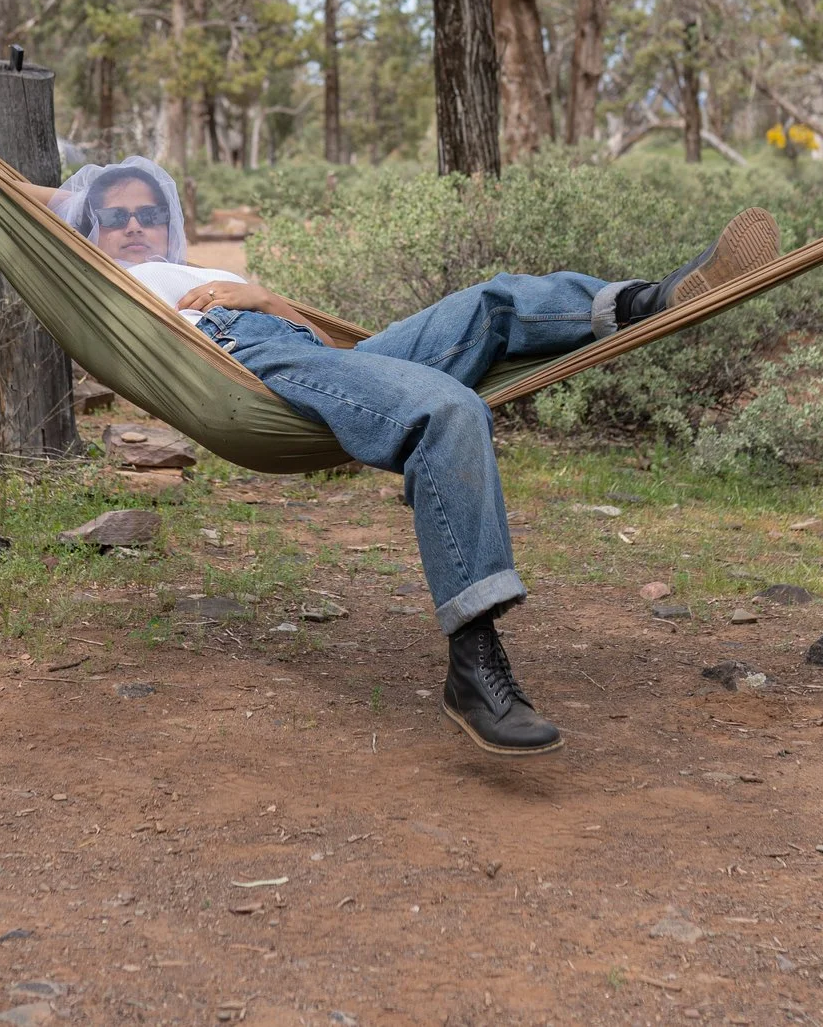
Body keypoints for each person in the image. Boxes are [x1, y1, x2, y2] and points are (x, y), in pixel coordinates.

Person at [41, 157, 781, 757]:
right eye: (116, 215)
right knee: (448, 406)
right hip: (239, 362)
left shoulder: (191, 270)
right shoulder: (105, 283)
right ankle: (474, 662)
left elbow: (323, 348)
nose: (134, 225)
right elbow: (21, 198)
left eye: (148, 212)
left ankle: (646, 301)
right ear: (90, 225)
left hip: (299, 348)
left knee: (490, 304)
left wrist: (261, 296)